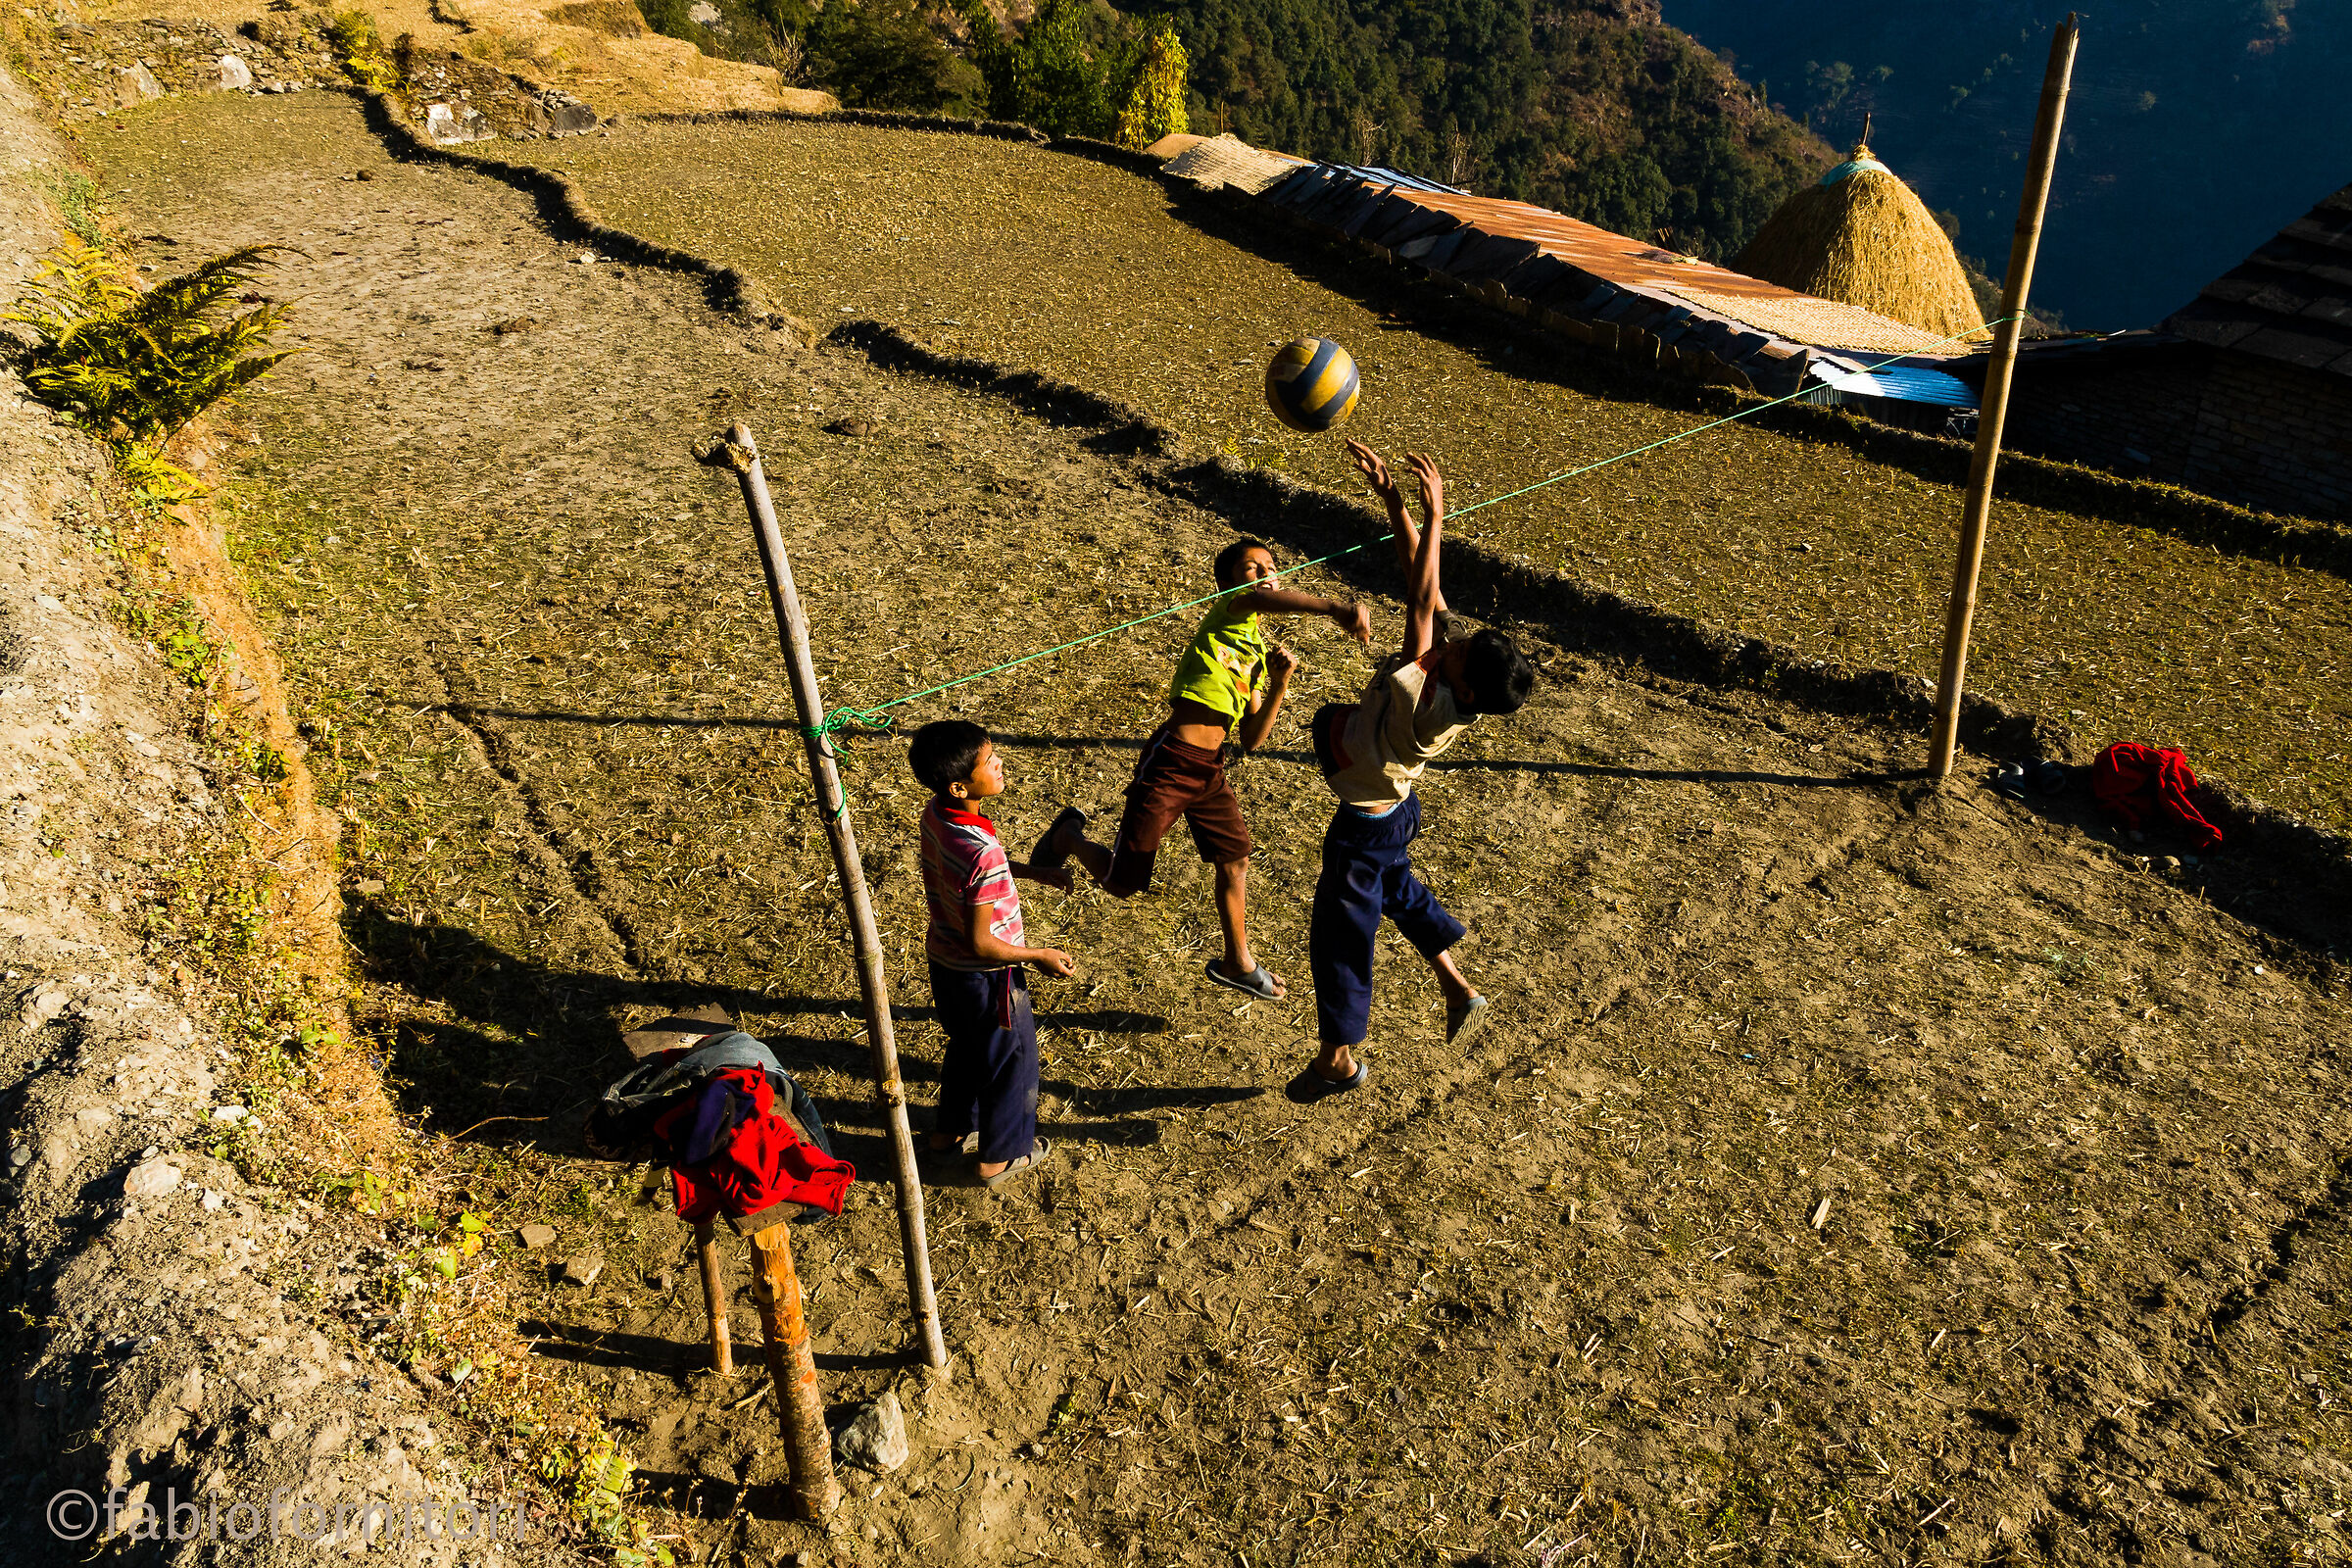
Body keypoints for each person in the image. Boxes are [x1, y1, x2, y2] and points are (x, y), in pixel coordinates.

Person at [1291, 441, 1537, 1102]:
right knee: (1395, 889)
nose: (1449, 645)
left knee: (1339, 937)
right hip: (1395, 810)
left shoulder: (1423, 697)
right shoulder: (1456, 680)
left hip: (1365, 826)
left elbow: (1422, 596)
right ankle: (1457, 986)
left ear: (1468, 687)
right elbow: (1416, 578)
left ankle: (1336, 1060)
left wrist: (1436, 514)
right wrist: (1395, 504)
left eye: (1455, 652)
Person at [1033, 538, 1370, 1002]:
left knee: (1236, 860)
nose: (1264, 572)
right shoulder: (1231, 609)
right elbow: (1261, 599)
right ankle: (1066, 837)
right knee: (1123, 884)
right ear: (1228, 582)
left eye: (1271, 566)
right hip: (1172, 761)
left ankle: (1238, 961)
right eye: (1251, 567)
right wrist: (1334, 607)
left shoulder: (1253, 647)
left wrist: (1279, 683)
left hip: (1211, 769)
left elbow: (1252, 738)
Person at [909, 720, 1075, 1187]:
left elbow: (975, 872)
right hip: (988, 978)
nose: (999, 763)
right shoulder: (981, 850)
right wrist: (1037, 954)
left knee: (967, 1050)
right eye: (989, 761)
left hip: (945, 967)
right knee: (1012, 1063)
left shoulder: (938, 814)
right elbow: (982, 942)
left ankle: (947, 1135)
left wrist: (1029, 871)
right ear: (961, 785)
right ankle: (998, 1158)